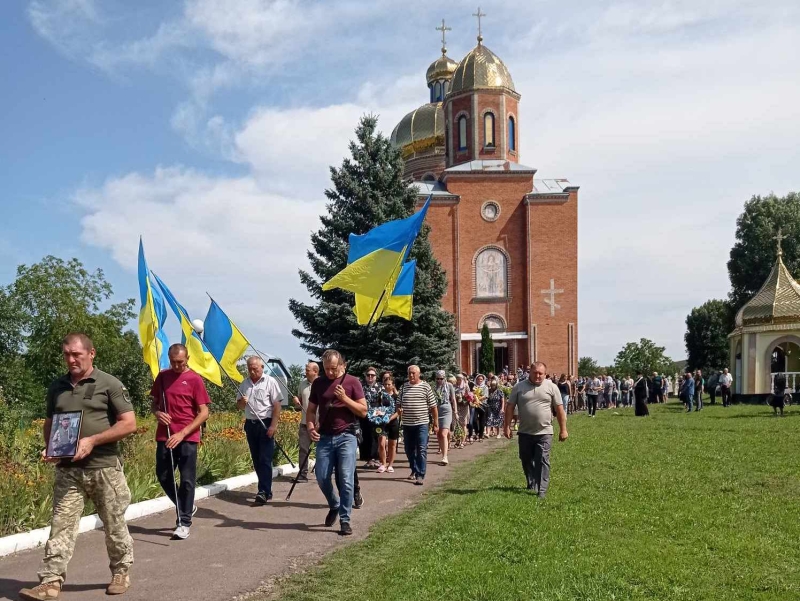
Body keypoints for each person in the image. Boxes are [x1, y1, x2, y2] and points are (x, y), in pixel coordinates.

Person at [20, 333, 136, 600]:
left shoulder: (109, 383)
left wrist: (92, 440)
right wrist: (51, 448)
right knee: (61, 525)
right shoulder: (57, 386)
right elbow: (50, 422)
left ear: (91, 353)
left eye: (76, 354)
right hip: (68, 471)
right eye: (66, 354)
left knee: (113, 523)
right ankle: (50, 582)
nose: (71, 359)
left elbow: (129, 423)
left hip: (104, 468)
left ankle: (121, 571)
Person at [151, 344, 211, 539]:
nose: (177, 366)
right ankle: (186, 505)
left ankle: (183, 522)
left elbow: (204, 413)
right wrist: (158, 413)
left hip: (187, 437)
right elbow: (154, 404)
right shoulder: (162, 377)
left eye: (181, 362)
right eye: (173, 362)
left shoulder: (195, 379)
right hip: (165, 434)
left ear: (188, 359)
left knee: (186, 480)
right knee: (163, 475)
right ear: (169, 358)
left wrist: (182, 433)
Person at [306, 350, 366, 536]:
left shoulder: (352, 382)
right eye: (326, 369)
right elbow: (310, 411)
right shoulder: (319, 383)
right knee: (322, 477)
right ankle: (334, 504)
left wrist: (345, 399)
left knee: (346, 479)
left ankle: (345, 520)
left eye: (333, 369)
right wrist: (310, 427)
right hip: (324, 437)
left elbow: (363, 411)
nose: (330, 373)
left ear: (342, 365)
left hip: (346, 436)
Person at [504, 361, 568, 497]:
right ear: (529, 372)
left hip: (544, 431)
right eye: (535, 373)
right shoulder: (519, 387)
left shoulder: (551, 387)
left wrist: (563, 429)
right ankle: (532, 481)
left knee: (542, 459)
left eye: (541, 373)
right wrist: (506, 427)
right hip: (524, 432)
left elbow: (559, 409)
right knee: (525, 458)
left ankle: (542, 490)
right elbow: (509, 407)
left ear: (545, 374)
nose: (538, 376)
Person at [237, 356, 283, 505]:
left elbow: (276, 405)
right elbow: (239, 406)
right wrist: (242, 403)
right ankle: (266, 490)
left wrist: (273, 426)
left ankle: (262, 491)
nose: (252, 371)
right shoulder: (244, 384)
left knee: (265, 458)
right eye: (249, 368)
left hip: (266, 423)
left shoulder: (270, 382)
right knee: (256, 459)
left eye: (255, 368)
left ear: (262, 367)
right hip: (251, 424)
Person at [398, 365, 439, 485]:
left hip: (422, 423)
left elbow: (433, 407)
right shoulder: (404, 387)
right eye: (409, 373)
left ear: (419, 374)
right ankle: (415, 469)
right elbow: (398, 404)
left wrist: (435, 423)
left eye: (413, 373)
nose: (411, 375)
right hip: (407, 424)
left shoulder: (425, 386)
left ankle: (420, 474)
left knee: (421, 448)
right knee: (409, 449)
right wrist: (399, 410)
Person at [291, 361, 319, 482]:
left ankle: (322, 473)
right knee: (303, 449)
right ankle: (302, 475)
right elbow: (300, 405)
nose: (305, 372)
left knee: (322, 449)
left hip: (320, 423)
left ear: (315, 372)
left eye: (307, 370)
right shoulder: (302, 384)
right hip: (304, 422)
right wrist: (297, 402)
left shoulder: (322, 384)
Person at [375, 371, 400, 472]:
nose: (387, 386)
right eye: (385, 384)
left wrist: (389, 418)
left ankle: (390, 464)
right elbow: (376, 408)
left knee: (392, 444)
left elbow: (399, 411)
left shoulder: (396, 397)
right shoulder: (380, 395)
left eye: (389, 384)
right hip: (382, 422)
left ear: (393, 385)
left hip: (393, 422)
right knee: (381, 443)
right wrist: (379, 415)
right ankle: (383, 463)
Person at [360, 367, 382, 469]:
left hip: (376, 417)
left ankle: (377, 458)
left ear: (375, 377)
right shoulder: (361, 387)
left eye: (372, 375)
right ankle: (368, 459)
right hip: (363, 417)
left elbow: (384, 402)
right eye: (368, 375)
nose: (370, 377)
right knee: (365, 438)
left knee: (376, 438)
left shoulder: (380, 387)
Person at [433, 370, 457, 465]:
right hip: (437, 410)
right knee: (439, 434)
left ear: (444, 378)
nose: (439, 380)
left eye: (441, 378)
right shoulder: (434, 387)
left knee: (443, 433)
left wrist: (455, 411)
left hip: (447, 409)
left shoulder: (449, 386)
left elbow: (453, 398)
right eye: (438, 378)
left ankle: (445, 457)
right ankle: (443, 452)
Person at [454, 374, 470, 448]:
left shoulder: (466, 386)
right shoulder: (454, 386)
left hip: (464, 406)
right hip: (457, 406)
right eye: (457, 379)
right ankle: (458, 440)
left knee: (463, 423)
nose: (458, 381)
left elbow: (469, 396)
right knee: (457, 424)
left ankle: (463, 441)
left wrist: (464, 399)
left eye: (460, 379)